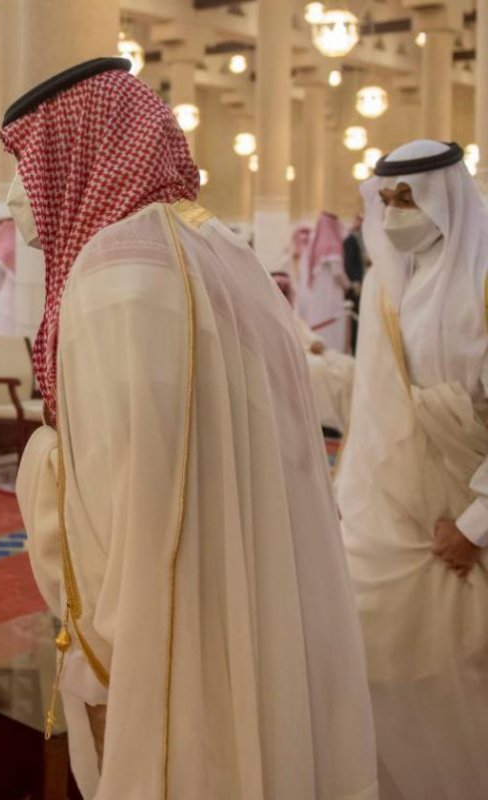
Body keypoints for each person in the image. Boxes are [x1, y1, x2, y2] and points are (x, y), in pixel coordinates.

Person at [4, 58, 378, 798]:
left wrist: (105, 666)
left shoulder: (113, 277)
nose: (18, 195)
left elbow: (129, 516)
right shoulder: (214, 248)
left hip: (174, 633)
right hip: (254, 593)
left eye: (27, 165)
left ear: (77, 155)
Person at [336, 139, 488, 799]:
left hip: (466, 519)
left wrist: (476, 524)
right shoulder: (388, 288)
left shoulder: (483, 281)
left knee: (467, 669)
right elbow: (374, 409)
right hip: (397, 519)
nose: (396, 213)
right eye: (387, 199)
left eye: (409, 198)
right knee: (388, 661)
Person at [272, 270, 355, 435]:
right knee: (317, 370)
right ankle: (327, 424)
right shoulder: (270, 315)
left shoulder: (291, 315)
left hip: (309, 352)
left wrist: (316, 343)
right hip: (290, 357)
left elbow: (307, 334)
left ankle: (351, 423)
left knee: (347, 365)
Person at [297, 211, 350, 353]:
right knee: (332, 329)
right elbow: (338, 272)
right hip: (331, 295)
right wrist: (348, 285)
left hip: (317, 295)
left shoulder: (317, 245)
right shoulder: (332, 244)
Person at [344, 215, 369, 352]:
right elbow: (349, 264)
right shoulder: (351, 240)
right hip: (357, 287)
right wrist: (355, 282)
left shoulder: (364, 239)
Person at [0, 215, 17, 335]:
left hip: (5, 298)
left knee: (3, 329)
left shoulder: (4, 249)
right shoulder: (18, 247)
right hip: (20, 298)